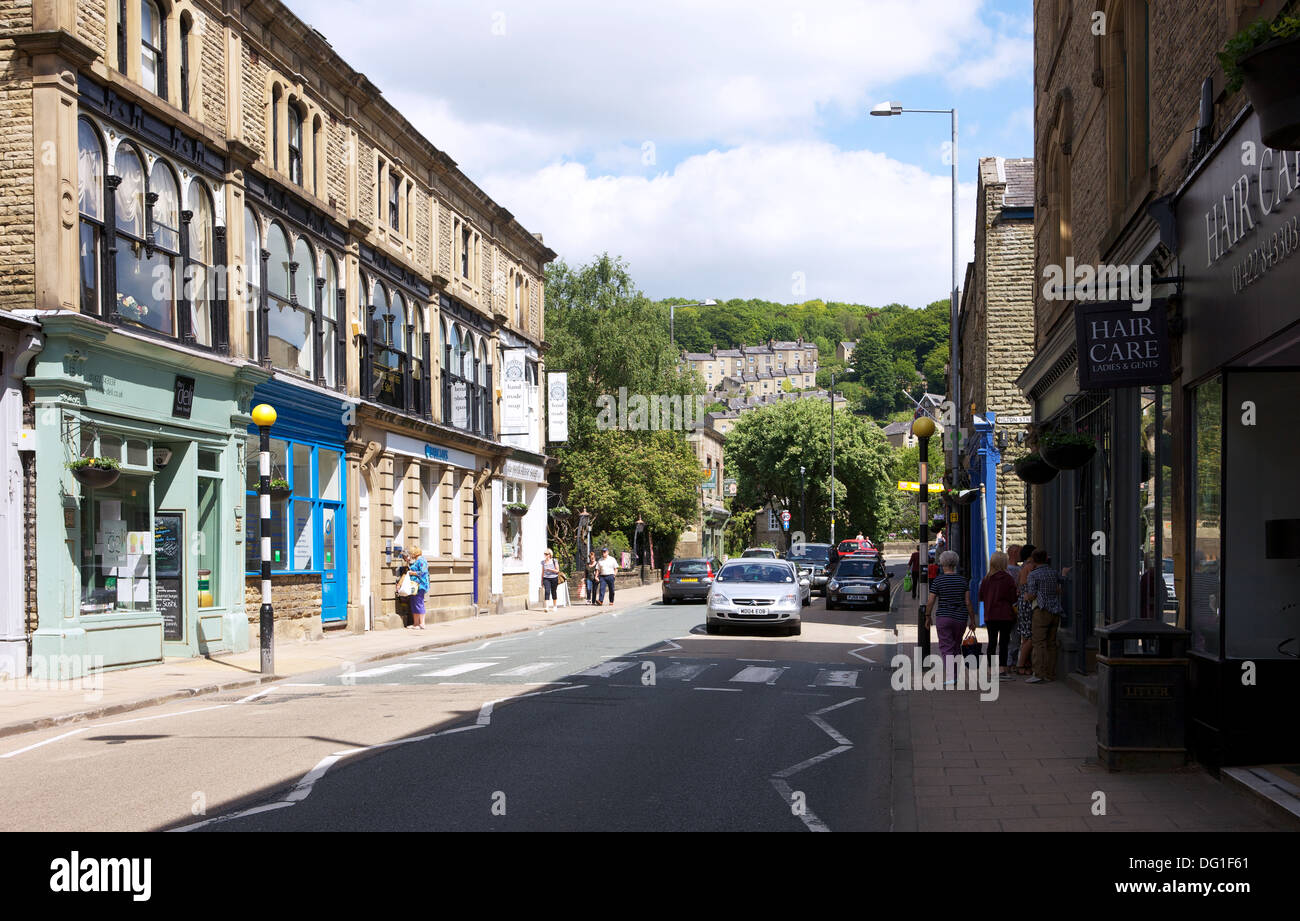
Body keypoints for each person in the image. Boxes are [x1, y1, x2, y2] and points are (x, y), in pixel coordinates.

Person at [925, 550, 976, 686]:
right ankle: (955, 674)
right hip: (960, 618)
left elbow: (930, 601)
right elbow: (968, 602)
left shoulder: (938, 580)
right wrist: (973, 620)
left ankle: (951, 677)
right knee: (956, 646)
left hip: (944, 617)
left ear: (942, 563)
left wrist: (927, 616)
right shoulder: (962, 580)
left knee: (946, 647)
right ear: (955, 563)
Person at [1024, 549, 1065, 683]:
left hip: (1041, 610)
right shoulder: (1054, 573)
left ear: (1034, 560)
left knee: (1039, 642)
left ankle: (1038, 673)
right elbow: (1062, 581)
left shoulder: (1033, 575)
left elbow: (1032, 594)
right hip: (1055, 611)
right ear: (1046, 558)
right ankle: (1050, 673)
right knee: (1051, 643)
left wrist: (1025, 597)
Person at [979, 551, 1019, 679]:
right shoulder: (1008, 579)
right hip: (1005, 614)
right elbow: (1013, 598)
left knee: (991, 642)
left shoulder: (986, 579)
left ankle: (990, 670)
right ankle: (1002, 669)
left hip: (990, 614)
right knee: (1004, 642)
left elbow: (980, 597)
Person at [1013, 542, 1037, 675]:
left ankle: (1025, 663)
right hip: (1028, 604)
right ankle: (1021, 664)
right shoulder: (1030, 567)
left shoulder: (1023, 567)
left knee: (1025, 635)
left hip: (1022, 602)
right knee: (1030, 636)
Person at [403, 544, 429, 630]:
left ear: (414, 553)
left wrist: (412, 573)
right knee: (414, 603)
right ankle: (416, 623)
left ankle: (422, 623)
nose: (410, 554)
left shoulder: (421, 560)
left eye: (411, 553)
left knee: (419, 603)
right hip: (415, 585)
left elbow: (423, 572)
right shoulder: (417, 560)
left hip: (420, 585)